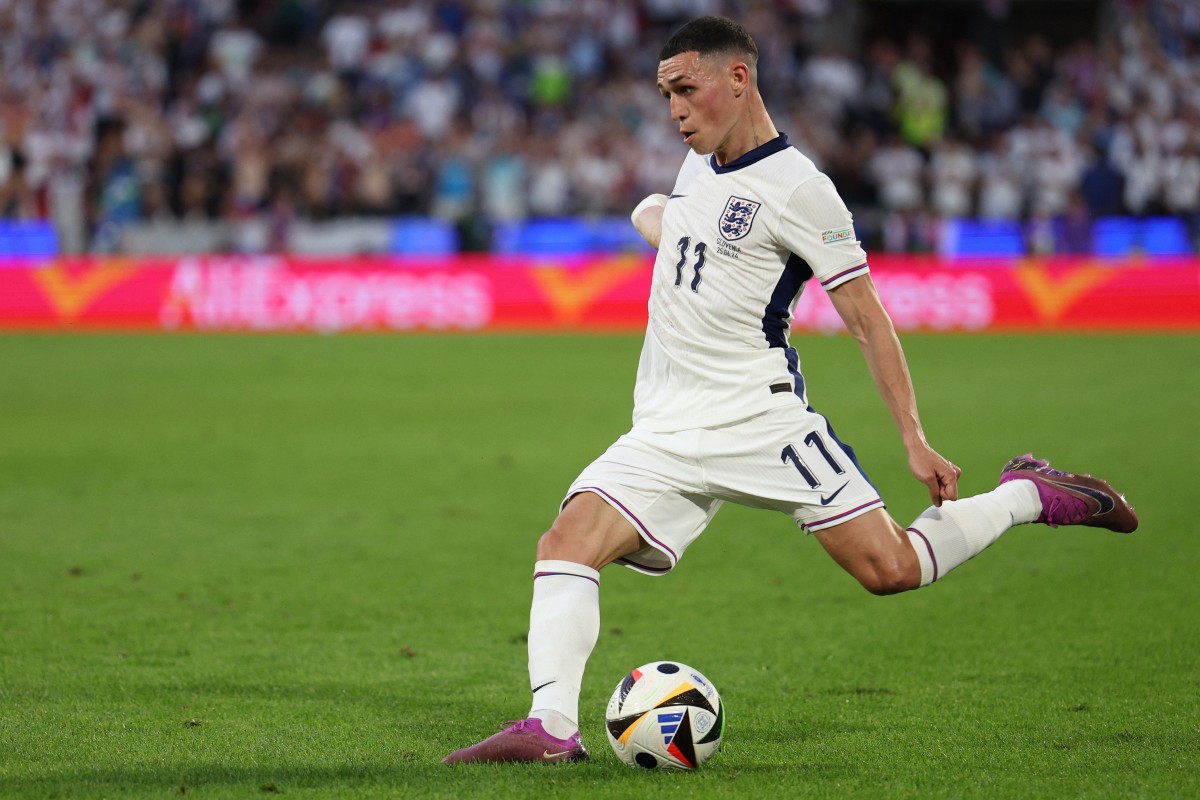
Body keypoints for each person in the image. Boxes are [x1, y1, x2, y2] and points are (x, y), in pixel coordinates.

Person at [442, 16, 1138, 765]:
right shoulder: (697, 162)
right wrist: (659, 221)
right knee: (567, 543)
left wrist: (912, 436)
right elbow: (691, 231)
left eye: (687, 89)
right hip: (664, 428)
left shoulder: (802, 190)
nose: (674, 110)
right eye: (665, 93)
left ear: (738, 79)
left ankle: (1027, 495)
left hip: (760, 420)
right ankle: (550, 725)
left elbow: (868, 321)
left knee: (891, 570)